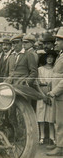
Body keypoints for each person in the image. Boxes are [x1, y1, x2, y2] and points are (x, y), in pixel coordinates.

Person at [46, 28, 63, 156]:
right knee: (58, 121)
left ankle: (60, 147)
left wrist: (54, 91)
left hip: (60, 95)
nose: (55, 42)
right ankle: (59, 144)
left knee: (60, 122)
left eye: (58, 40)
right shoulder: (60, 55)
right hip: (58, 95)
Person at [36, 51, 57, 146]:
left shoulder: (55, 70)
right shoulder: (40, 69)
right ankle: (42, 137)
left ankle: (52, 137)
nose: (49, 59)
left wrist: (51, 93)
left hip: (51, 93)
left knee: (51, 116)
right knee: (41, 115)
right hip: (41, 92)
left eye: (51, 57)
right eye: (48, 57)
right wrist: (42, 94)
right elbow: (36, 83)